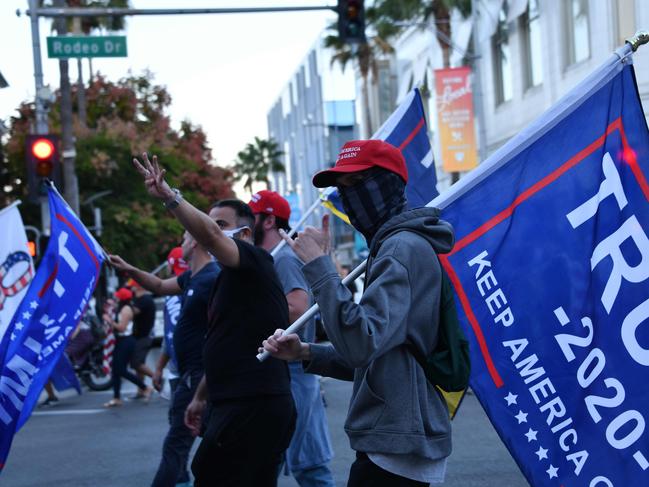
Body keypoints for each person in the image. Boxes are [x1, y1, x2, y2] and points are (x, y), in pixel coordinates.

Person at [262, 139, 455, 486]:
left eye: (357, 184)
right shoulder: (395, 247)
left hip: (397, 443)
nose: (348, 198)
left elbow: (362, 344)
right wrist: (306, 352)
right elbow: (378, 353)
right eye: (341, 189)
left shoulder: (401, 248)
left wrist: (320, 268)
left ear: (388, 184)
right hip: (395, 435)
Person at [132, 154, 296, 487]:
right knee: (208, 472)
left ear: (245, 233)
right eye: (213, 224)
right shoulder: (224, 281)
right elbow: (228, 346)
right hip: (230, 402)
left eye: (221, 225)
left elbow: (208, 237)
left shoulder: (255, 261)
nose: (212, 233)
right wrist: (201, 396)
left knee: (211, 473)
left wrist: (170, 196)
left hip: (255, 404)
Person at [110, 234, 219, 487]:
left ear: (194, 242)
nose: (181, 243)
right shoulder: (192, 277)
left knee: (176, 445)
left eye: (184, 239)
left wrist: (201, 390)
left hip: (199, 375)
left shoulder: (211, 278)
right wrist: (129, 269)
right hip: (190, 375)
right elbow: (159, 286)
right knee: (198, 444)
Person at [249, 190, 335, 487]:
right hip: (286, 372)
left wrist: (246, 314)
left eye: (253, 216)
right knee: (270, 462)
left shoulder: (284, 259)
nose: (248, 224)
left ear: (269, 221)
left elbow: (297, 309)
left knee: (309, 466)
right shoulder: (273, 258)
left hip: (293, 372)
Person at [103, 287, 153, 407]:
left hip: (126, 341)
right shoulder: (121, 308)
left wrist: (109, 321)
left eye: (118, 296)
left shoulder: (126, 309)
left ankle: (145, 387)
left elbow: (122, 328)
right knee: (116, 370)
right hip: (120, 340)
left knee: (121, 369)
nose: (115, 298)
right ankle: (116, 398)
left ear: (122, 298)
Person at [127, 278, 156, 397]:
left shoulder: (145, 300)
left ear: (138, 286)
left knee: (136, 363)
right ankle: (141, 389)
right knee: (139, 363)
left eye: (132, 286)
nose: (131, 288)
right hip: (140, 335)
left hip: (144, 336)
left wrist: (125, 305)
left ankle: (156, 378)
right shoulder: (138, 299)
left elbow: (134, 312)